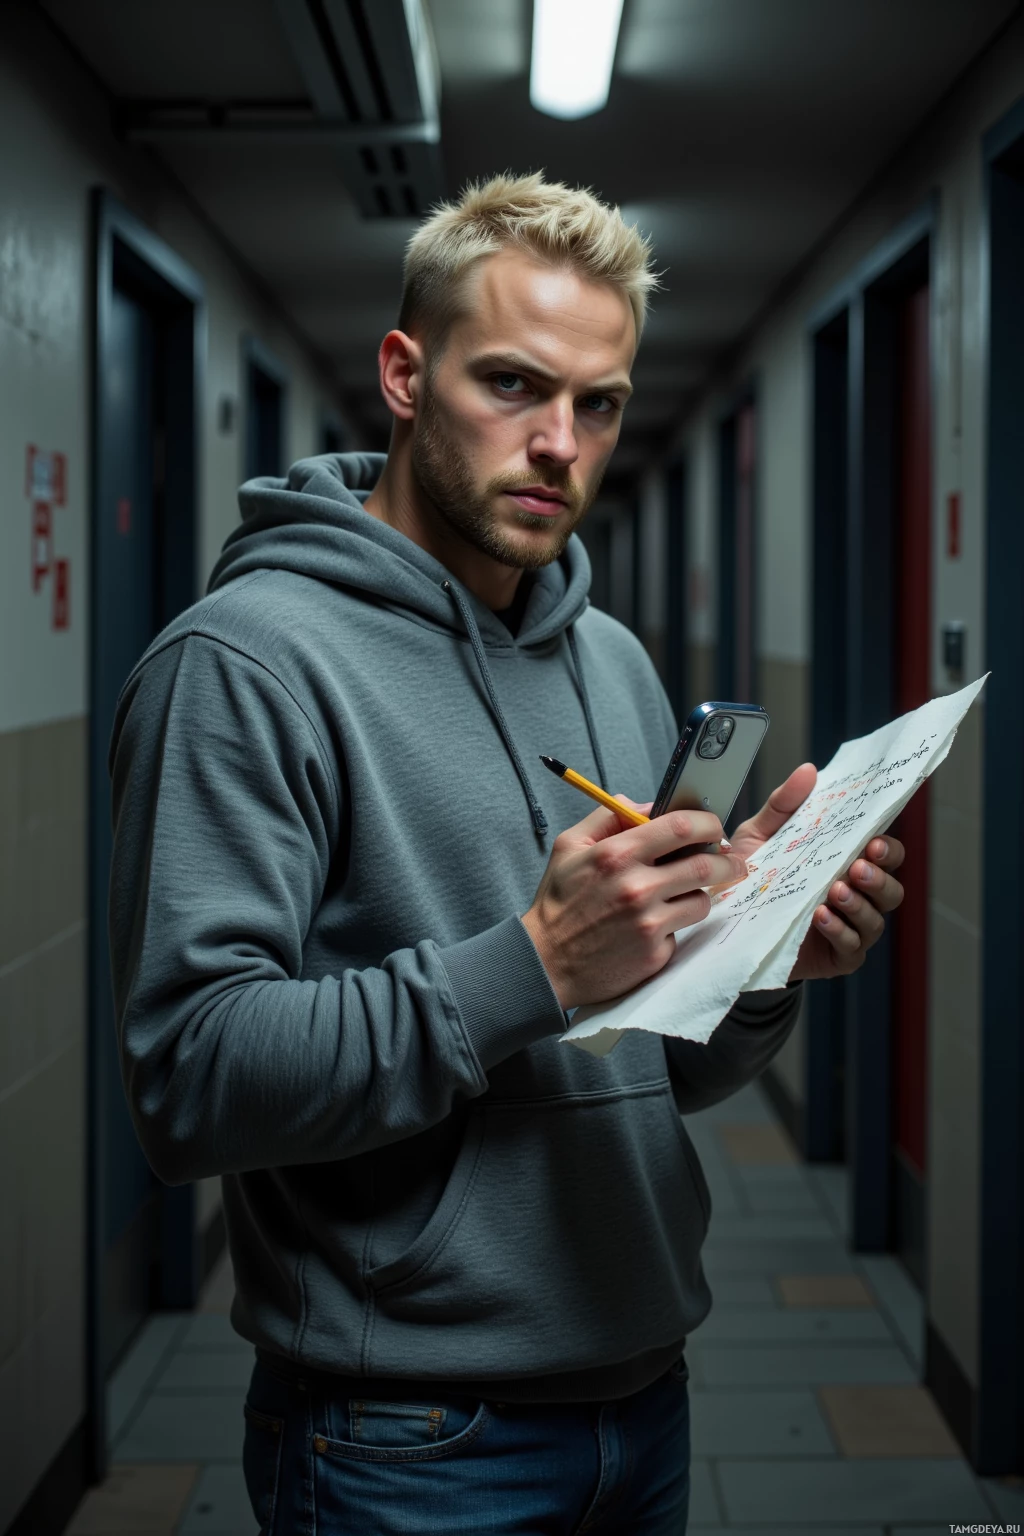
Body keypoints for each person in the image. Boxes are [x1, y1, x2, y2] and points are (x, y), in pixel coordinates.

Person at [108, 173, 905, 1535]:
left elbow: (664, 1061)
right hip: (402, 1432)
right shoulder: (244, 664)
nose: (560, 442)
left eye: (600, 403)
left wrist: (760, 959)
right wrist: (531, 965)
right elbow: (191, 1083)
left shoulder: (612, 658)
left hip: (645, 1387)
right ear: (405, 374)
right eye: (514, 386)